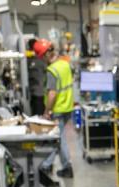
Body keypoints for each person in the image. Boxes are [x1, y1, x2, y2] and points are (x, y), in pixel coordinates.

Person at [44, 42, 74, 178]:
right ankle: (53, 165)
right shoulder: (65, 64)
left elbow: (52, 93)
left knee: (57, 138)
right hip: (68, 106)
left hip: (58, 108)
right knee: (59, 137)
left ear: (46, 55)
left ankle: (49, 166)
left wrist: (47, 111)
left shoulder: (52, 70)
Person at [27, 38, 49, 116]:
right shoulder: (40, 60)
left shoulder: (30, 60)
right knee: (39, 115)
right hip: (39, 92)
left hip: (35, 92)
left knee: (36, 115)